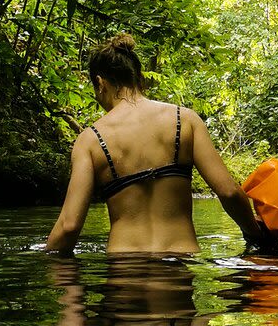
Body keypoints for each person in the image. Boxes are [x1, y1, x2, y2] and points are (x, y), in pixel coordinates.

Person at [46, 33, 265, 254]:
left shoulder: (90, 140)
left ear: (100, 84)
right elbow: (229, 192)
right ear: (139, 79)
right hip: (178, 263)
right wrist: (256, 236)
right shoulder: (185, 120)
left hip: (124, 269)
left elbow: (69, 226)